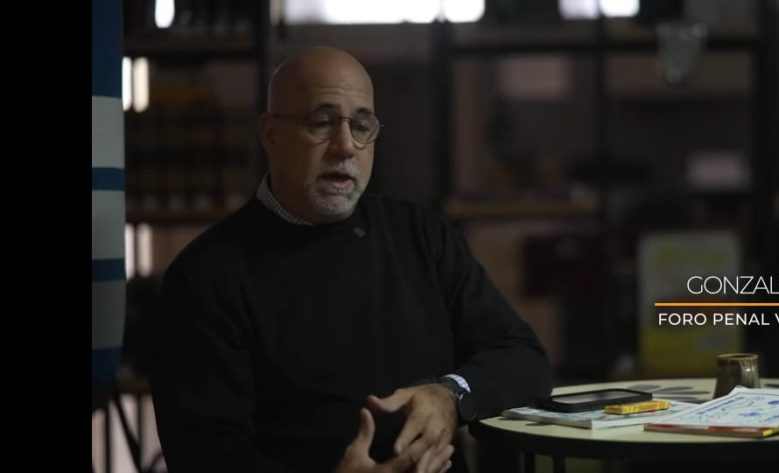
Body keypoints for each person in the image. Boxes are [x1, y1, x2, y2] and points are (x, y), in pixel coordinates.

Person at [148, 46, 553, 473]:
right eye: (322, 123)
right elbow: (203, 453)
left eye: (361, 126)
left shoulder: (421, 235)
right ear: (270, 134)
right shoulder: (206, 277)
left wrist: (451, 396)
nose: (345, 147)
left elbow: (523, 358)